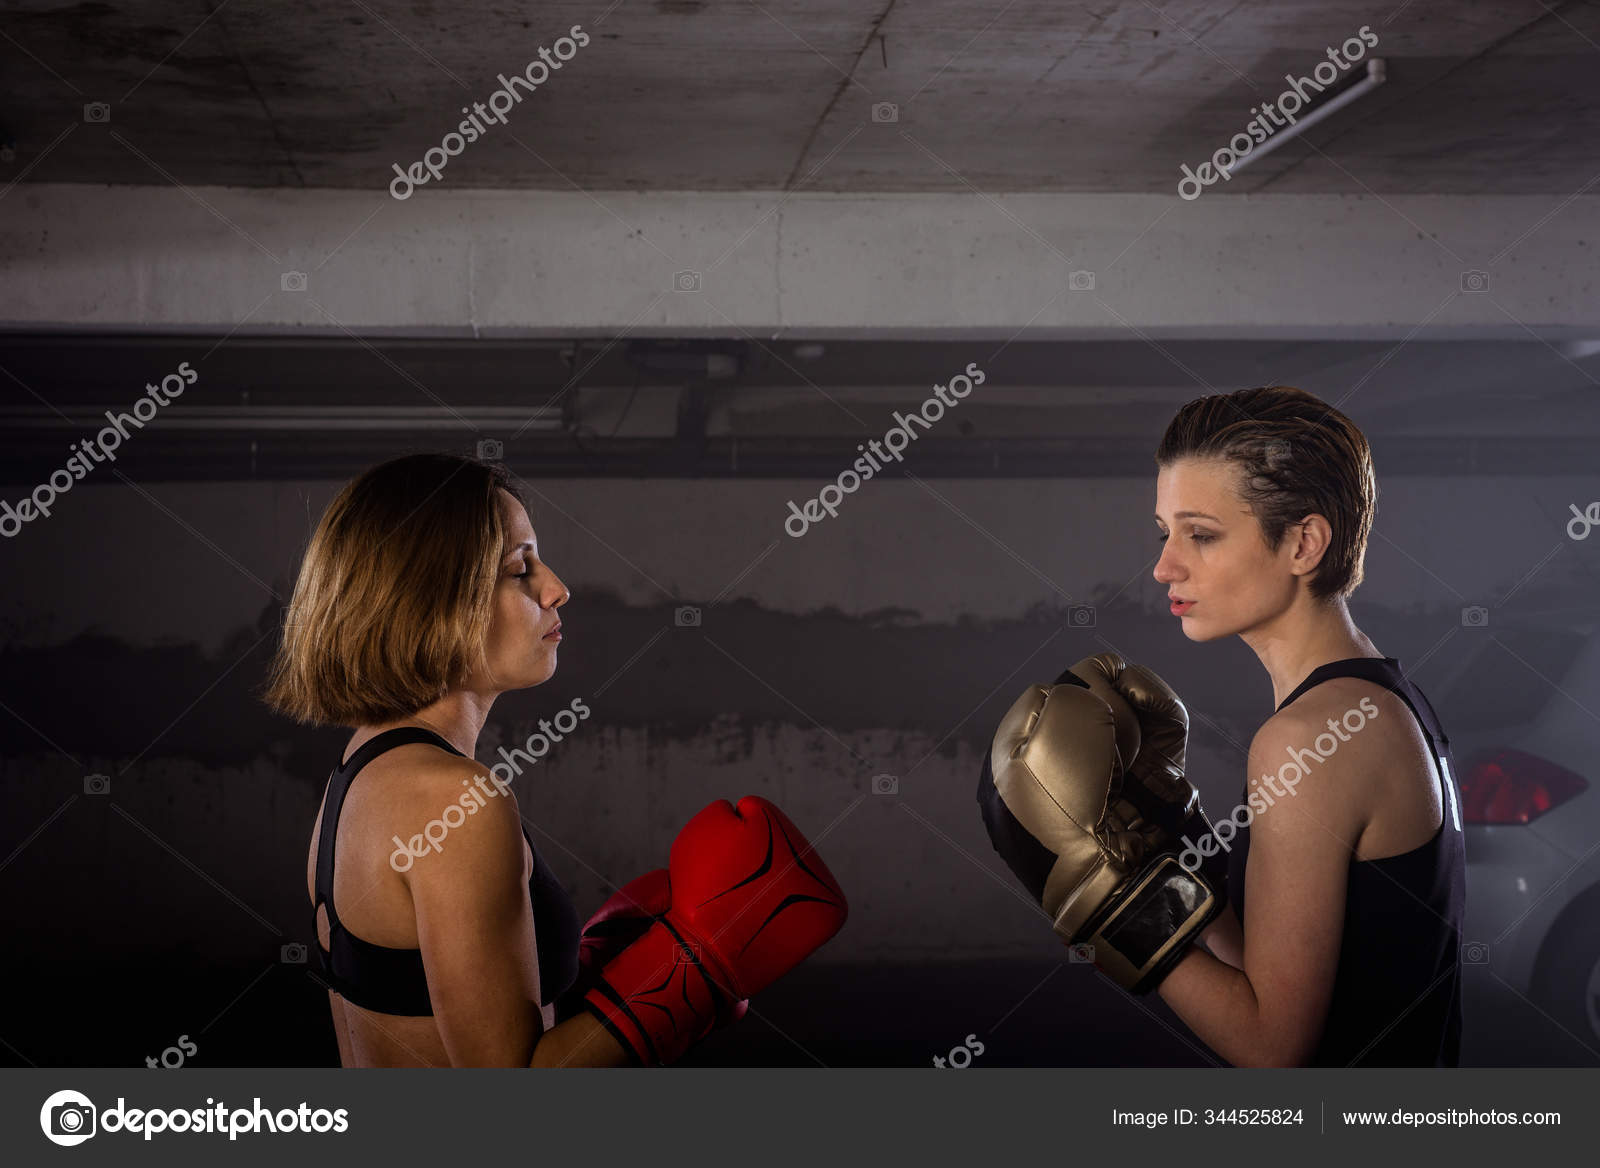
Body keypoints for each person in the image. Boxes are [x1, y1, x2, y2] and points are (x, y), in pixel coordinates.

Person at [263, 453, 845, 1067]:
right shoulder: (456, 803)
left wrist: (598, 970)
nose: (557, 588)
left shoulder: (362, 769)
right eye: (520, 568)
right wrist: (692, 966)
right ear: (432, 600)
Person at [978, 385, 1464, 1067]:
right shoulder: (1380, 701)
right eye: (1165, 532)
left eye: (1201, 535)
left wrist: (1107, 906)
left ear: (1303, 543)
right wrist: (1176, 831)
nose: (1163, 566)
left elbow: (1272, 1046)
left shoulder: (1310, 739)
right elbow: (1275, 965)